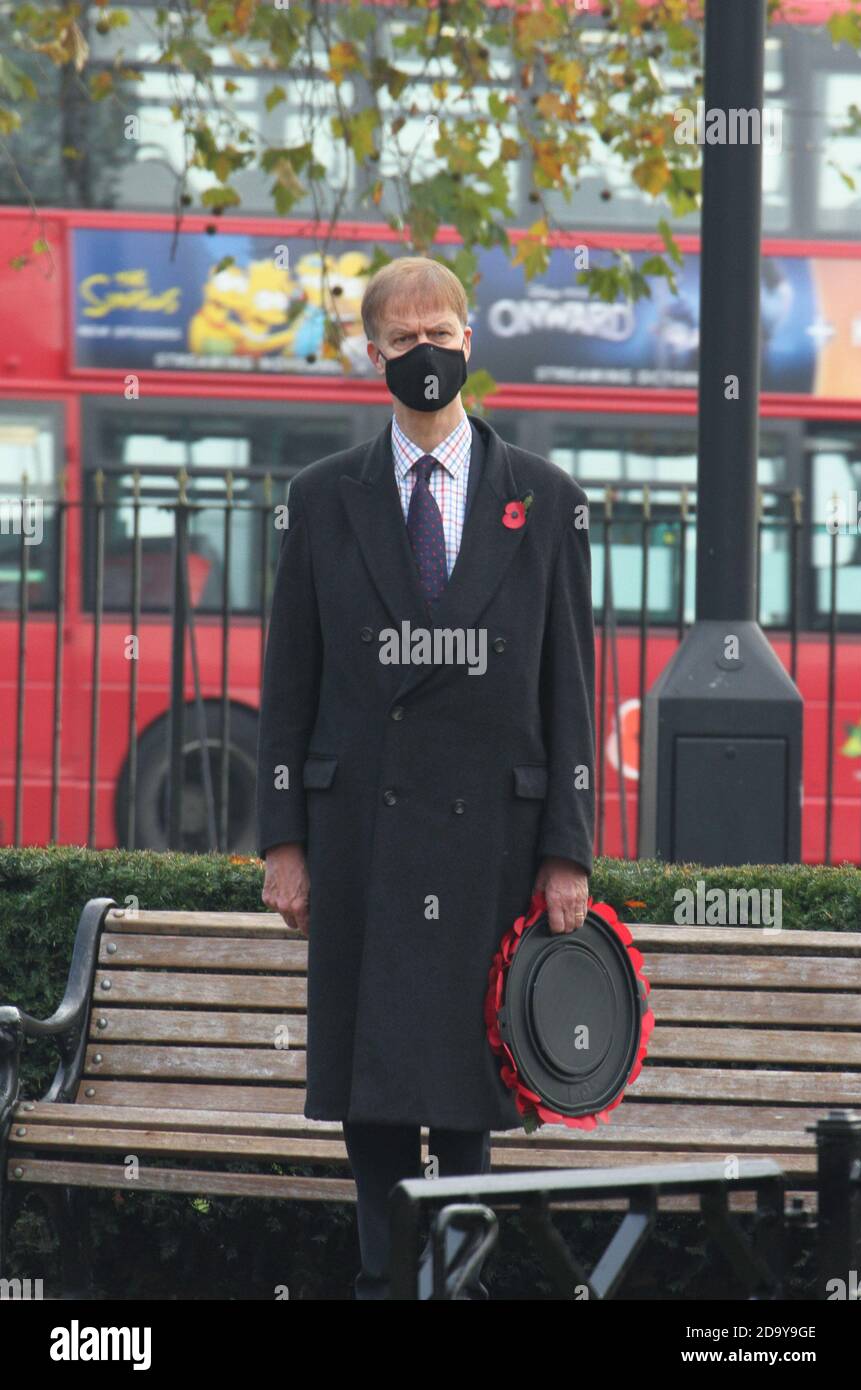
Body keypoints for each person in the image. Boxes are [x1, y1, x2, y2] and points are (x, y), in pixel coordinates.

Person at [256, 255, 596, 1299]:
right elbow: (287, 682)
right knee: (371, 1092)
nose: (425, 356)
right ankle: (379, 1280)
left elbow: (568, 686)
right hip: (360, 833)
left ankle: (457, 1284)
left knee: (462, 1092)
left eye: (440, 334)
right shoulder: (319, 500)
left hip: (487, 839)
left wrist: (565, 852)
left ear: (469, 342)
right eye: (402, 341)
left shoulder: (542, 500)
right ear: (372, 356)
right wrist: (282, 843)